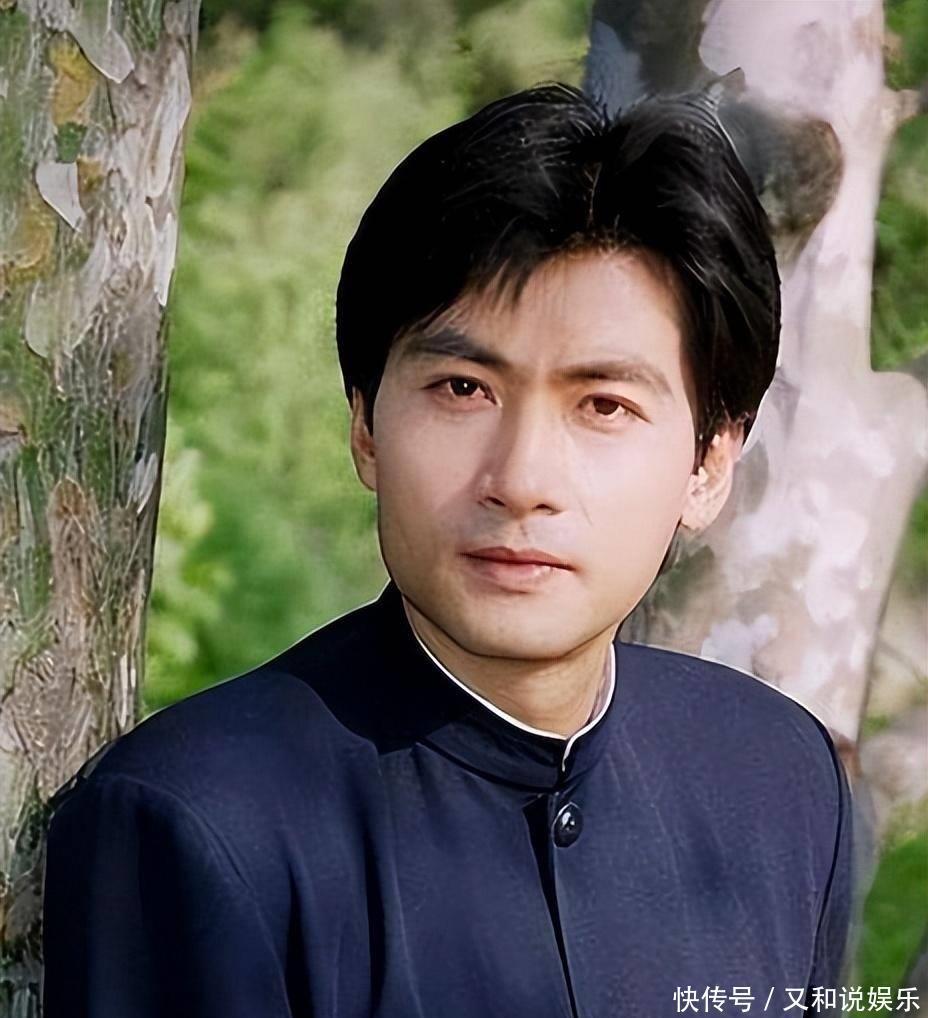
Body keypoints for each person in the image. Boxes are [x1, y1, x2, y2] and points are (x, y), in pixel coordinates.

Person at [42, 83, 854, 1018]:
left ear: (709, 463)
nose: (522, 479)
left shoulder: (778, 779)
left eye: (604, 405)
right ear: (365, 425)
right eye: (465, 389)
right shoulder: (200, 823)